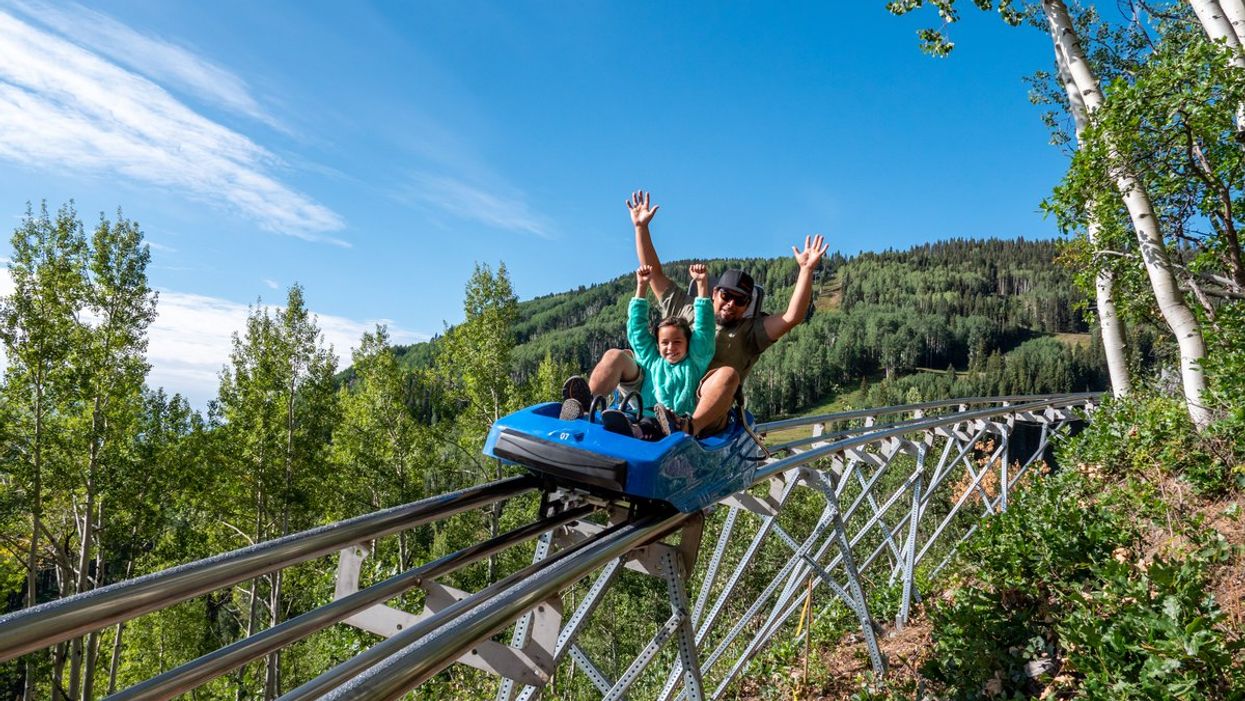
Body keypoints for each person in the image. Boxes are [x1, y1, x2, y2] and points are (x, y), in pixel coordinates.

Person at [562, 190, 828, 437]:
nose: (731, 304)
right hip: (655, 386)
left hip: (699, 405)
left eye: (740, 301)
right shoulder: (684, 307)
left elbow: (792, 317)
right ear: (714, 293)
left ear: (747, 305)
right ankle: (584, 411)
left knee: (727, 375)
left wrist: (805, 270)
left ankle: (685, 428)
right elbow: (653, 273)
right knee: (615, 356)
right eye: (726, 296)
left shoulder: (751, 332)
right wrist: (641, 228)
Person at [594, 263, 714, 438]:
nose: (671, 347)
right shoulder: (653, 361)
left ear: (688, 343)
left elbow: (704, 329)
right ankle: (585, 408)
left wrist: (702, 285)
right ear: (657, 345)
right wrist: (641, 287)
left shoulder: (695, 362)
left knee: (650, 424)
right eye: (665, 342)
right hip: (643, 415)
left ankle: (633, 431)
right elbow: (637, 332)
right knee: (641, 420)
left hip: (676, 424)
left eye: (677, 341)